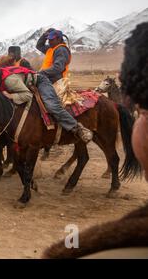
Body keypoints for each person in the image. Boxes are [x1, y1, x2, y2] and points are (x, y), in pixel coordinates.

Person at [43, 22, 148, 259]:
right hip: (47, 80)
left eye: (50, 40)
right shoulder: (50, 48)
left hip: (56, 83)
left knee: (55, 107)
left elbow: (57, 69)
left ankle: (71, 129)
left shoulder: (60, 50)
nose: (47, 43)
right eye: (47, 41)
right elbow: (44, 51)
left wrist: (40, 74)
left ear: (56, 39)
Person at [0, 65, 93, 143]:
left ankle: (77, 128)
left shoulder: (10, 81)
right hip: (23, 85)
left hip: (40, 82)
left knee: (52, 106)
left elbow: (27, 95)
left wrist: (11, 96)